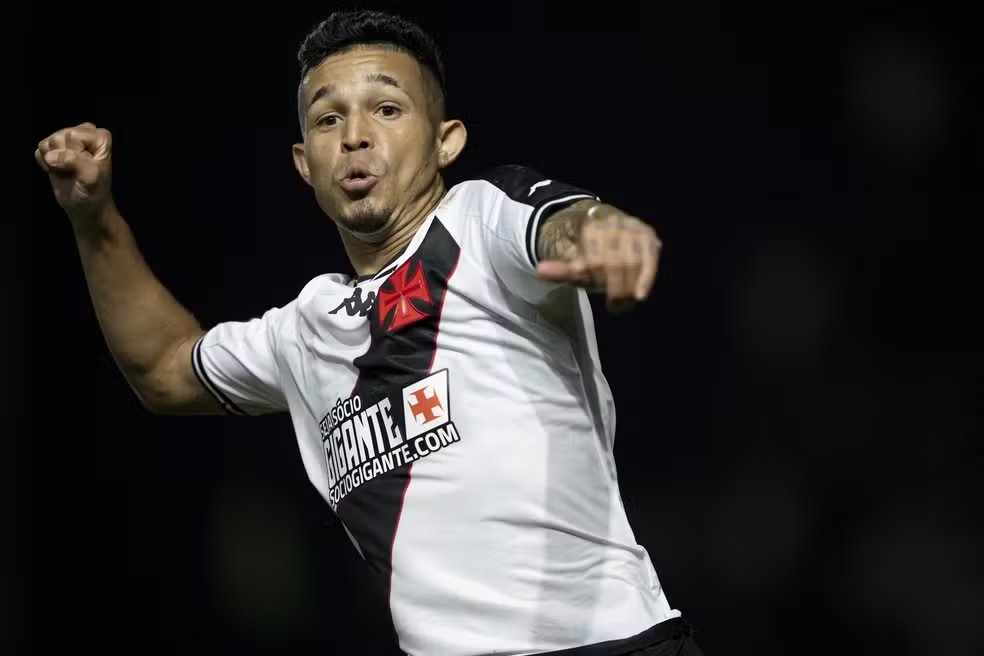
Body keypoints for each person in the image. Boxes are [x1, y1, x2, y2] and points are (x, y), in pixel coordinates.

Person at [34, 9, 702, 656]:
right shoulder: (304, 329)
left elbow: (562, 224)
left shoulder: (479, 222)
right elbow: (161, 368)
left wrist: (602, 234)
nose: (355, 135)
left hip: (611, 642)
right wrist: (92, 217)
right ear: (305, 162)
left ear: (445, 140)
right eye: (329, 118)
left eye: (386, 108)